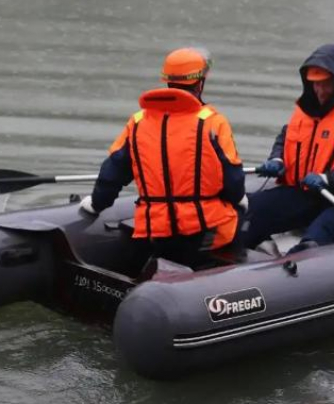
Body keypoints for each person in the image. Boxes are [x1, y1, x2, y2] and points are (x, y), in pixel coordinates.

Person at [79, 47, 246, 270]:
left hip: (155, 229)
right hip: (204, 228)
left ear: (167, 80)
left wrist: (97, 204)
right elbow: (233, 180)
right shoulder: (213, 123)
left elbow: (113, 171)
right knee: (244, 216)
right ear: (200, 82)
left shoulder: (138, 122)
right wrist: (239, 200)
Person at [242, 44, 334, 254]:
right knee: (248, 211)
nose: (320, 91)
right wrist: (277, 159)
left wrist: (329, 179)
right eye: (315, 84)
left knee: (317, 238)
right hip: (310, 193)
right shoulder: (308, 108)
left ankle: (299, 264)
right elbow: (286, 137)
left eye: (326, 84)